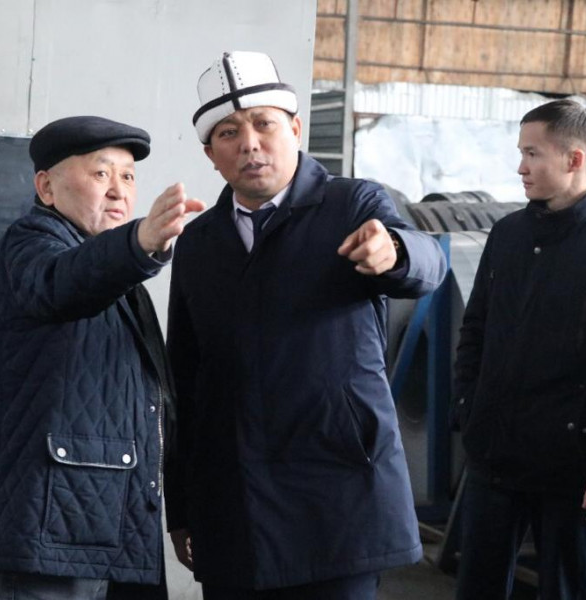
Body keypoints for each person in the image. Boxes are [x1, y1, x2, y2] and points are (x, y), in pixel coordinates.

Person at [164, 51, 448, 599]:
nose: (250, 143)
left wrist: (394, 251)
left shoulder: (352, 205)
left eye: (264, 124)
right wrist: (182, 505)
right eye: (229, 133)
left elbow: (427, 263)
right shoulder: (199, 243)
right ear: (211, 155)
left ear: (294, 130)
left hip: (340, 500)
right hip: (235, 508)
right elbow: (186, 381)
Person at [0, 115, 204, 600]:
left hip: (118, 541)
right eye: (100, 173)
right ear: (46, 188)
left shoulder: (123, 279)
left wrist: (179, 513)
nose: (118, 191)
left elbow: (157, 406)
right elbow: (61, 284)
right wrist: (140, 243)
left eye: (128, 176)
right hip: (40, 545)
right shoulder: (30, 244)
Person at [452, 99, 586, 599]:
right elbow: (476, 331)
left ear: (574, 159)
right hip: (494, 457)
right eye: (521, 153)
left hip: (572, 470)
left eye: (532, 154)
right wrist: (470, 411)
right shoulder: (507, 235)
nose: (520, 167)